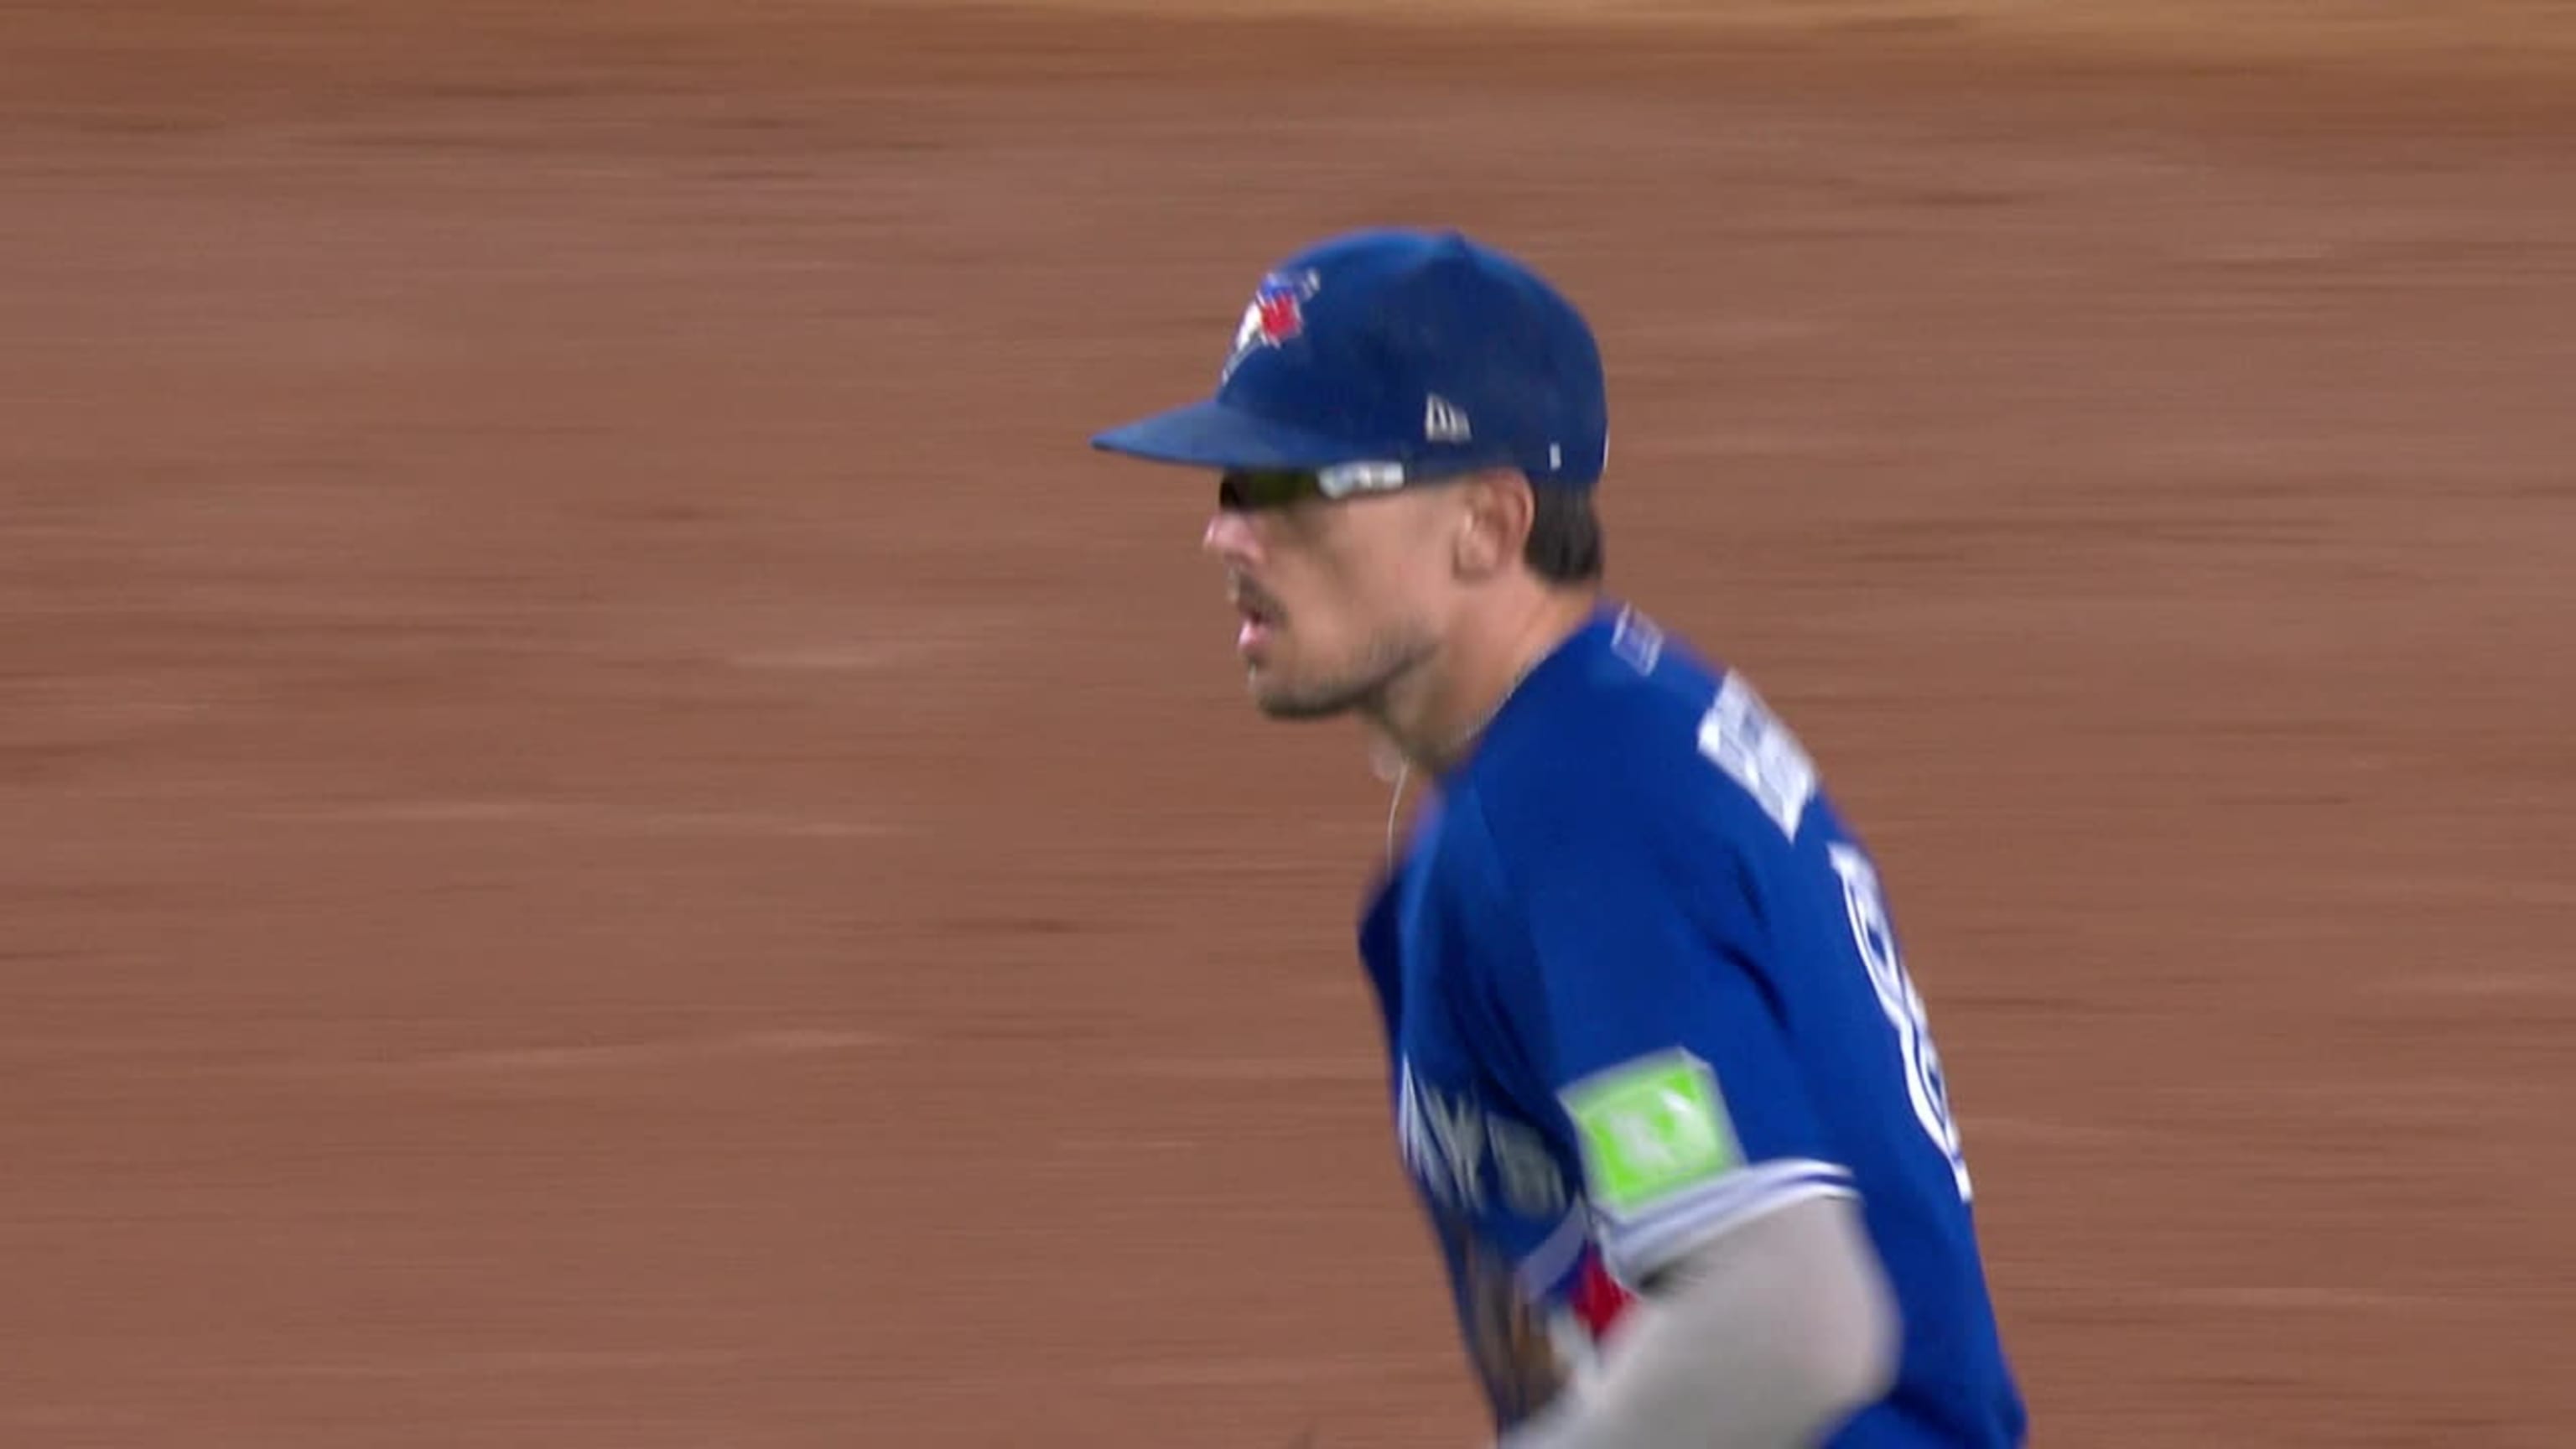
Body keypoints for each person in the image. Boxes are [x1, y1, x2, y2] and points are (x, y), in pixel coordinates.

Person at [1090, 227, 2028, 1448]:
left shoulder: (1582, 806)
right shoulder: (1589, 744)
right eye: (1231, 489)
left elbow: (1791, 1315)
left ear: (1489, 522)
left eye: (1297, 486)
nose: (1229, 535)